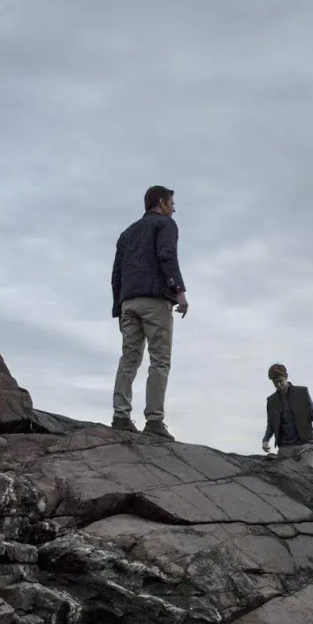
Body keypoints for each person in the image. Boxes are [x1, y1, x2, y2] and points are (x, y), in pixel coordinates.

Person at [111, 185, 188, 439]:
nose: (174, 208)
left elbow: (116, 274)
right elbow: (167, 256)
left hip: (128, 302)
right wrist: (179, 291)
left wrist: (118, 308)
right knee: (160, 360)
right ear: (161, 202)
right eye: (172, 203)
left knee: (129, 358)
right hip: (155, 300)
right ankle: (154, 420)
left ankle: (120, 415)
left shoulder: (126, 234)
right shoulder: (165, 225)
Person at [262, 364, 313, 465]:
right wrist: (265, 440)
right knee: (284, 480)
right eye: (275, 382)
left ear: (286, 377)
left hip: (305, 445)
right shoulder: (271, 401)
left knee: (306, 476)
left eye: (280, 381)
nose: (278, 385)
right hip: (285, 448)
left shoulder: (302, 392)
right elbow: (271, 424)